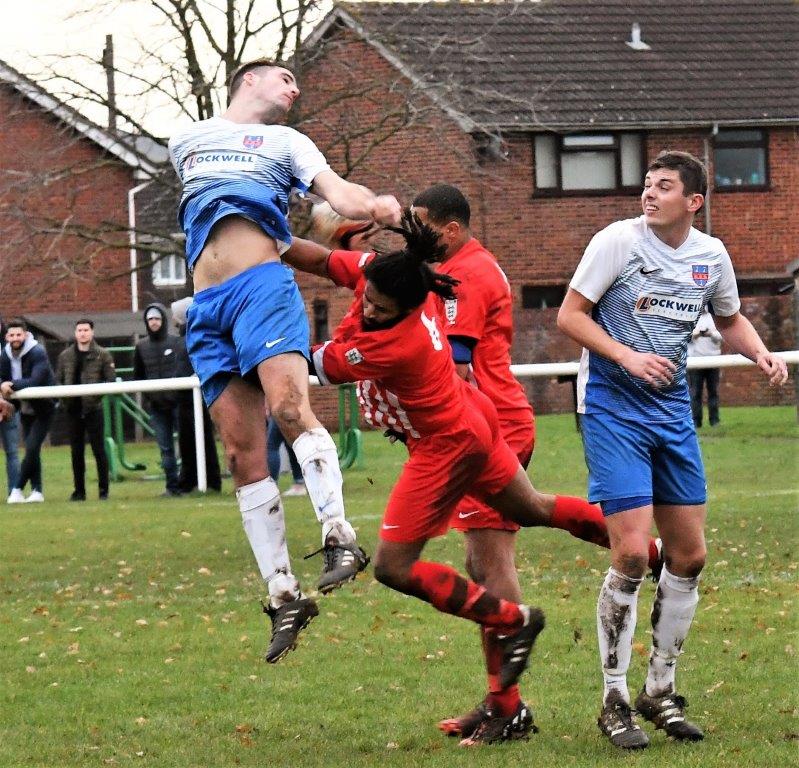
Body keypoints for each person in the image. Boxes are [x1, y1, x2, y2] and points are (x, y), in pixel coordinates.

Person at [292, 195, 661, 744]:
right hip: (475, 417)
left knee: (420, 567)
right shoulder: (409, 276)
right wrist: (269, 242)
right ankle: (647, 553)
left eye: (377, 306)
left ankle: (509, 684)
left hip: (455, 439)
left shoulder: (415, 320)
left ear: (453, 228)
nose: (369, 307)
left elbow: (309, 363)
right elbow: (330, 264)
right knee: (529, 510)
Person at [167, 57, 401, 662]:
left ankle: (339, 535)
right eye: (285, 78)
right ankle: (283, 594)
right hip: (207, 306)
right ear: (249, 80)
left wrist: (372, 204)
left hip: (262, 289)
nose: (295, 89)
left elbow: (338, 195)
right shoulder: (185, 139)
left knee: (290, 406)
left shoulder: (289, 142)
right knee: (242, 455)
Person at [557, 151, 788, 750]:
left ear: (694, 202)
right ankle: (613, 698)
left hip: (671, 416)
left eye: (664, 186)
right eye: (647, 184)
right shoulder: (617, 242)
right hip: (612, 411)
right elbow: (570, 316)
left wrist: (758, 352)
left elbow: (728, 318)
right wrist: (628, 356)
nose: (649, 193)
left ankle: (659, 691)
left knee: (688, 557)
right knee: (633, 555)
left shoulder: (711, 257)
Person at [411, 184, 646, 742]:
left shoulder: (468, 272)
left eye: (420, 225)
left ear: (449, 228)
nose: (413, 235)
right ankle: (644, 551)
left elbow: (459, 367)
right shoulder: (452, 268)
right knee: (490, 556)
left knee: (492, 568)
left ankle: (507, 706)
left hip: (484, 426)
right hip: (488, 423)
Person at [55, 319, 116, 501]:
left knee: (99, 450)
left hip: (93, 409)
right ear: (75, 333)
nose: (82, 333)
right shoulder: (65, 356)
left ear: (92, 332)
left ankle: (103, 491)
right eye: (79, 330)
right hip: (72, 410)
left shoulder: (103, 355)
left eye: (86, 330)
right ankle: (79, 491)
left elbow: (110, 380)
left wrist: (94, 397)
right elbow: (58, 379)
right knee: (76, 452)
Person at [0, 319, 57, 503]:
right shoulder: (5, 354)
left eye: (18, 334)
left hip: (44, 406)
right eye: (12, 335)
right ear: (7, 336)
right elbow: (2, 376)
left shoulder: (38, 351)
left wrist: (11, 385)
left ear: (25, 335)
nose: (15, 338)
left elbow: (36, 379)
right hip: (24, 407)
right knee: (33, 451)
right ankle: (37, 491)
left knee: (31, 447)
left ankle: (17, 488)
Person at [171, 298, 222, 494]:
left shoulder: (192, 338)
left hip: (193, 399)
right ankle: (197, 479)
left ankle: (203, 480)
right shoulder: (188, 338)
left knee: (200, 439)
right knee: (192, 440)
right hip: (187, 399)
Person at [133, 304, 182, 497]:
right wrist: (149, 397)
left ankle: (188, 483)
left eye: (157, 318)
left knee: (185, 445)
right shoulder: (141, 346)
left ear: (163, 320)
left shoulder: (175, 342)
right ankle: (172, 486)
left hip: (177, 403)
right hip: (157, 406)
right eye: (150, 319)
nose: (153, 322)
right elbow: (138, 376)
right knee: (165, 448)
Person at [688, 307, 723, 427]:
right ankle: (696, 421)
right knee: (695, 393)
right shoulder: (691, 316)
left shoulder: (714, 316)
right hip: (696, 360)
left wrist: (710, 334)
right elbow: (686, 336)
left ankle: (714, 421)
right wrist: (697, 334)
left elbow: (722, 335)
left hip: (714, 359)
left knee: (713, 392)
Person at [266, 418, 306, 496]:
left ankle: (272, 486)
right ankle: (299, 483)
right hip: (292, 412)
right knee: (291, 445)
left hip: (281, 411)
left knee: (271, 446)